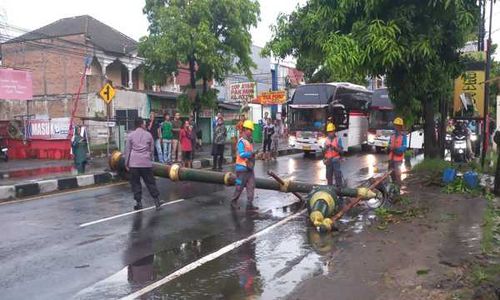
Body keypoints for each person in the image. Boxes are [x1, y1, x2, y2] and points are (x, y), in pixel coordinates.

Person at [124, 118, 162, 211]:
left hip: (134, 163)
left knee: (136, 183)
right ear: (141, 125)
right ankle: (157, 202)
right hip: (145, 163)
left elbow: (127, 150)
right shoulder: (148, 135)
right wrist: (150, 158)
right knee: (150, 182)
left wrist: (126, 163)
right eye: (144, 124)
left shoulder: (130, 135)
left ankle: (139, 203)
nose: (145, 125)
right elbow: (152, 149)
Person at [231, 120, 258, 211]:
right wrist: (251, 154)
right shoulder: (241, 142)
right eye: (250, 130)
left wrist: (254, 155)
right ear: (246, 129)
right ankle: (233, 201)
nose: (251, 132)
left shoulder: (249, 142)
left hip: (249, 169)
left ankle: (250, 204)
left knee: (251, 186)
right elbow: (242, 154)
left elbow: (250, 154)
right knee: (239, 187)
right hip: (241, 169)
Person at [323, 123, 344, 187]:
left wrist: (334, 148)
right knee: (328, 176)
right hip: (328, 160)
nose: (330, 133)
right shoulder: (326, 140)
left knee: (337, 175)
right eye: (329, 132)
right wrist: (325, 148)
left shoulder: (338, 139)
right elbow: (323, 152)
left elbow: (341, 151)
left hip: (335, 160)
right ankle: (330, 188)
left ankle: (339, 189)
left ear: (334, 131)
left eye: (331, 131)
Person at [388, 117, 408, 187]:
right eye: (395, 125)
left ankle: (398, 187)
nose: (396, 127)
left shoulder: (403, 136)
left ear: (400, 126)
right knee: (391, 173)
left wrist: (396, 149)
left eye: (398, 125)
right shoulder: (392, 135)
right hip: (391, 158)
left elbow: (404, 147)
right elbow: (389, 144)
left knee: (397, 174)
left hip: (398, 159)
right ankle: (393, 187)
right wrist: (389, 147)